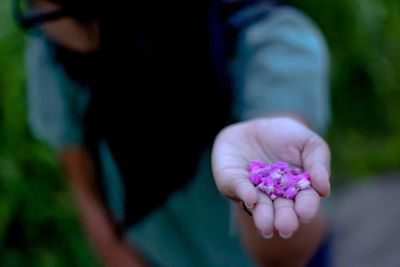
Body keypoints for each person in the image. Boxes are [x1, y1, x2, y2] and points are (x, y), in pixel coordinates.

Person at [16, 0, 331, 266]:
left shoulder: (263, 35)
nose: (39, 18)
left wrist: (268, 190)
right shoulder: (54, 58)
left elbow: (288, 252)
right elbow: (85, 190)